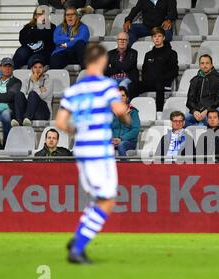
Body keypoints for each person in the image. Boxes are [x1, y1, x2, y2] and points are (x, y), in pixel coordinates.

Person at [55, 43, 130, 264]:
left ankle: (78, 237)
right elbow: (120, 111)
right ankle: (78, 248)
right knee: (107, 200)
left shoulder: (73, 90)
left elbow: (60, 122)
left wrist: (78, 129)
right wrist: (125, 116)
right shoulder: (107, 85)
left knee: (99, 197)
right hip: (99, 148)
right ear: (102, 61)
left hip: (81, 147)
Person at [129, 27, 178, 112]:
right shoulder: (148, 54)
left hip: (163, 83)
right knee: (132, 86)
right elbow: (144, 70)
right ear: (152, 38)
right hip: (150, 83)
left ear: (164, 38)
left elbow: (174, 71)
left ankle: (159, 112)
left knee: (159, 85)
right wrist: (147, 79)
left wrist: (163, 78)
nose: (157, 38)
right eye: (155, 36)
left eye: (159, 36)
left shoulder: (171, 53)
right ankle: (132, 110)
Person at [185, 55, 219, 127]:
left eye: (207, 63)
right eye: (202, 63)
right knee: (181, 120)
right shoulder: (195, 80)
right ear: (199, 65)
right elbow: (189, 100)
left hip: (212, 111)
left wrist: (207, 110)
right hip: (197, 112)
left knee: (207, 121)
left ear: (211, 65)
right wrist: (194, 111)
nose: (205, 65)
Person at [13, 58, 53, 127]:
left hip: (42, 112)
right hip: (29, 111)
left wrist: (35, 83)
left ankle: (27, 118)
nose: (37, 70)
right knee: (19, 94)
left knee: (33, 94)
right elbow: (22, 95)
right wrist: (39, 90)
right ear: (32, 69)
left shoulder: (48, 81)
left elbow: (43, 97)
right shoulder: (26, 80)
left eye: (40, 67)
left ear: (43, 69)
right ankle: (19, 120)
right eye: (35, 67)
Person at [111, 87, 140, 157]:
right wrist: (112, 139)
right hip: (113, 140)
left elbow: (135, 130)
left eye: (123, 96)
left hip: (129, 142)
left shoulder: (133, 112)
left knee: (121, 145)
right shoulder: (111, 112)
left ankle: (125, 167)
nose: (121, 98)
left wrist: (121, 139)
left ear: (127, 98)